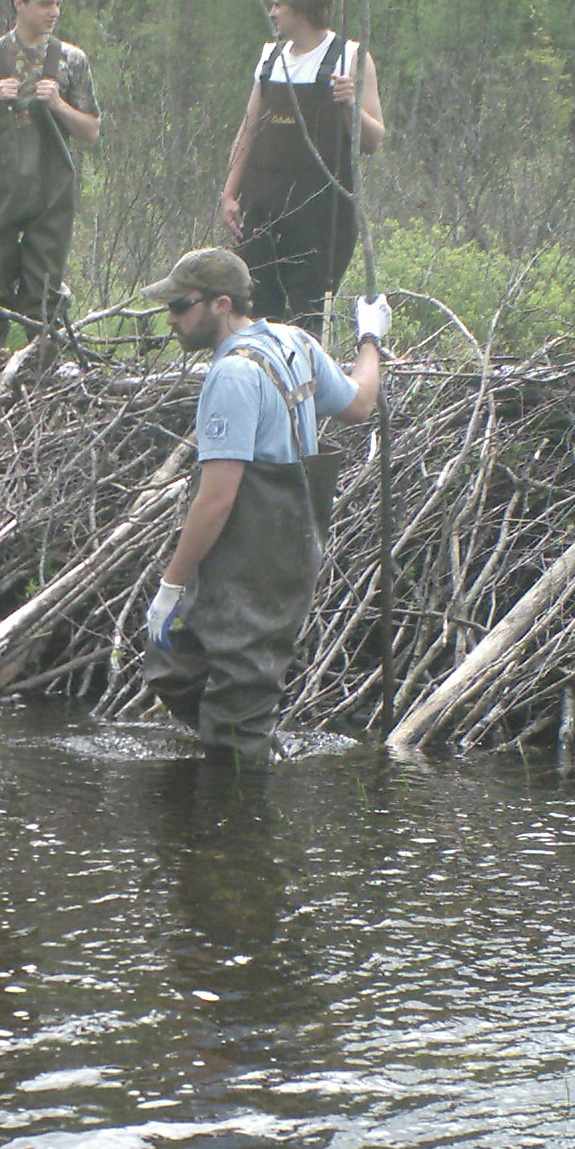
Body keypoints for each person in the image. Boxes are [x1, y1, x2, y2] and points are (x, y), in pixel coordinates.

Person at [140, 248, 388, 763]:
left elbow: (217, 498)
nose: (171, 319)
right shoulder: (295, 340)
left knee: (238, 712)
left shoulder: (232, 375)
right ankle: (242, 753)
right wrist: (371, 338)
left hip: (258, 559)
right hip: (289, 546)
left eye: (181, 306)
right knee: (171, 662)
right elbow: (361, 402)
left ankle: (243, 799)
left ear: (220, 304)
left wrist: (171, 584)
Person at [217, 0, 384, 337]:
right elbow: (248, 130)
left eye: (279, 5)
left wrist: (348, 104)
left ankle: (303, 390)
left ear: (303, 8)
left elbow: (373, 141)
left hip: (321, 217)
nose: (272, 12)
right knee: (257, 313)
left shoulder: (351, 57)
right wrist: (229, 193)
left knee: (306, 321)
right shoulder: (270, 59)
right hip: (261, 209)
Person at [0, 0, 100, 361]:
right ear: (19, 3)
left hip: (51, 192)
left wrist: (59, 105)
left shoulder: (72, 60)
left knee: (46, 296)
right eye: (45, 4)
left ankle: (41, 392)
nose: (54, 13)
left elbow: (90, 131)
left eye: (58, 5)